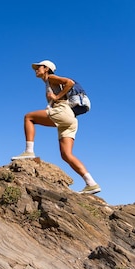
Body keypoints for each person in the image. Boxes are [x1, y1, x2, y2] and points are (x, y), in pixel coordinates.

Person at [11, 60, 101, 194]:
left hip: (63, 112)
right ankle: (91, 183)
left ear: (46, 68)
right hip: (70, 119)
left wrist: (56, 96)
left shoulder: (51, 78)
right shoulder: (48, 82)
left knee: (29, 117)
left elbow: (69, 83)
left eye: (38, 67)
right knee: (66, 155)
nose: (36, 70)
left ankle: (29, 151)